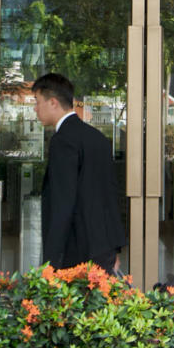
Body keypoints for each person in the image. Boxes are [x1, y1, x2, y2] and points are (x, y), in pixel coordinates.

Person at [31, 73, 126, 271]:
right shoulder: (96, 137)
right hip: (103, 247)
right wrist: (115, 248)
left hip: (76, 250)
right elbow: (110, 195)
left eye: (38, 101)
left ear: (53, 102)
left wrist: (50, 261)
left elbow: (62, 203)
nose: (35, 108)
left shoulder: (63, 141)